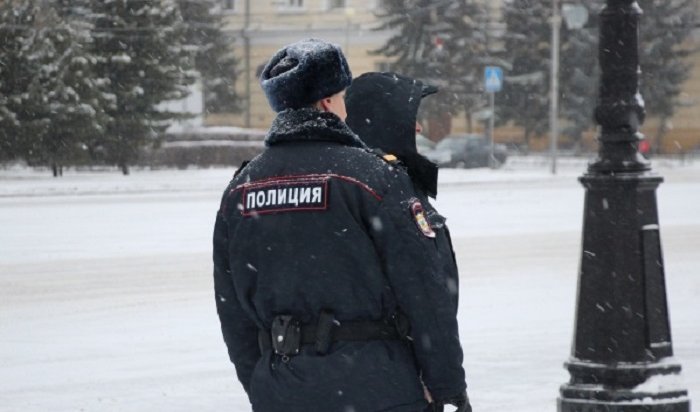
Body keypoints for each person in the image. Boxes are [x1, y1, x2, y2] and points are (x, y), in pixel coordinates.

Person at [213, 39, 468, 412]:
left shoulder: (242, 188)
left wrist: (264, 383)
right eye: (343, 95)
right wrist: (447, 386)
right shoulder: (372, 176)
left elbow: (232, 308)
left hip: (283, 388)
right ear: (328, 102)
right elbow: (424, 289)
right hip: (378, 388)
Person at [345, 72, 461, 312]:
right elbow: (424, 295)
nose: (418, 127)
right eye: (410, 117)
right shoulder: (383, 188)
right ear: (384, 122)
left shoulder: (399, 180)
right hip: (394, 345)